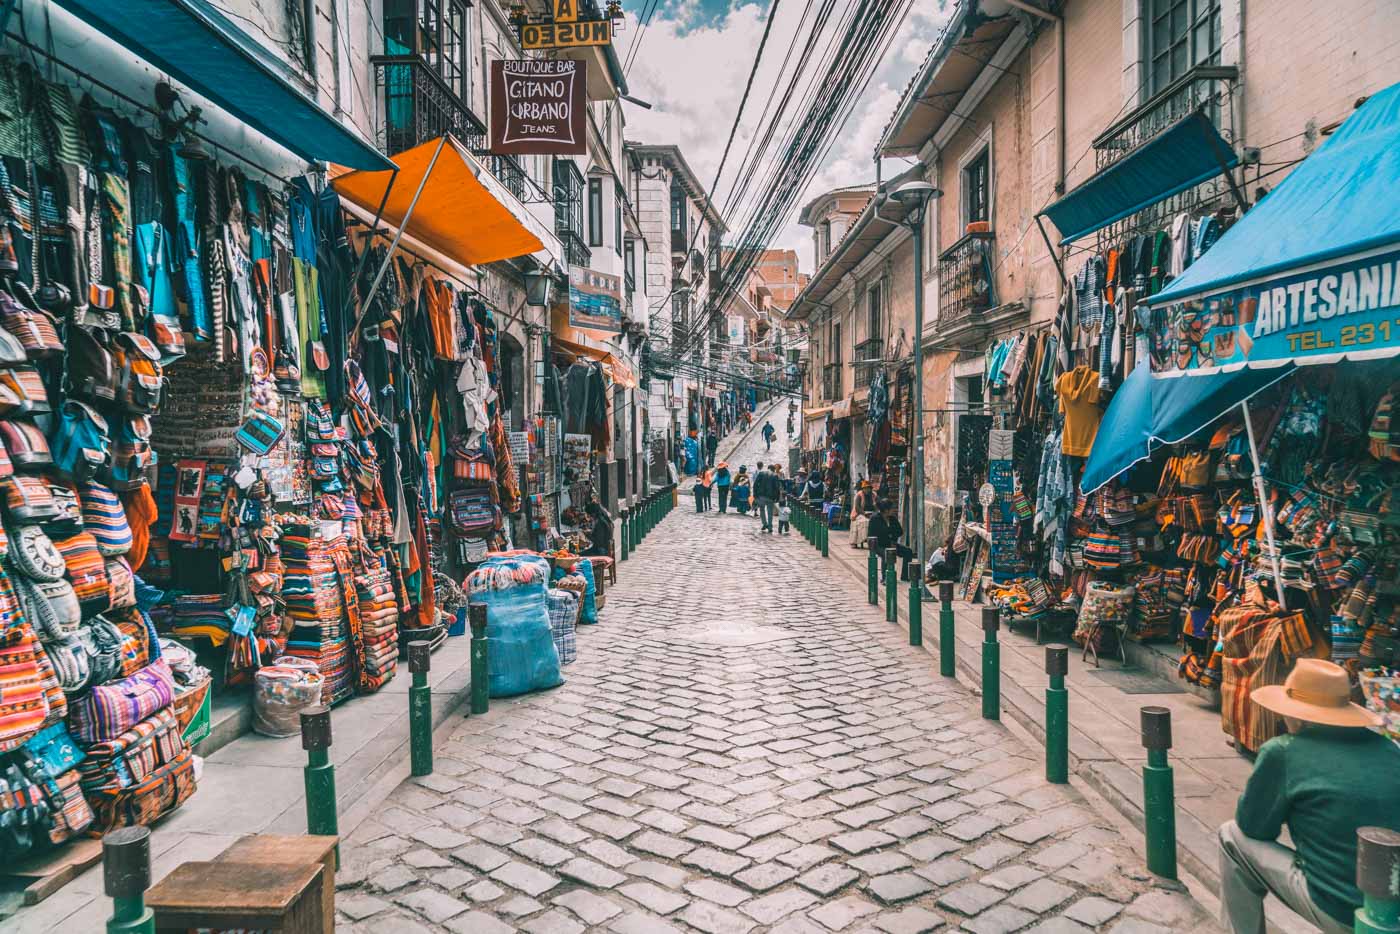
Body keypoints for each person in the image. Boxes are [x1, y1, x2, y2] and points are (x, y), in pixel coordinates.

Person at [1218, 658, 1400, 934]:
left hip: (1342, 912)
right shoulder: (1390, 750)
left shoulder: (1284, 751)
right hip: (1391, 913)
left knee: (1231, 836)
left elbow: (1253, 827)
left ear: (1296, 714)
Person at [867, 499, 914, 579]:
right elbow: (878, 534)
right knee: (887, 554)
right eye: (892, 508)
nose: (894, 510)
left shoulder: (892, 518)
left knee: (908, 552)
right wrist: (890, 535)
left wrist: (892, 540)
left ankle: (905, 576)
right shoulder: (875, 519)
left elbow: (899, 531)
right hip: (877, 544)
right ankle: (885, 577)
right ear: (886, 510)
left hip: (891, 543)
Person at [753, 462, 780, 533]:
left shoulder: (761, 473)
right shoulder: (775, 475)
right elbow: (777, 487)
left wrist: (755, 494)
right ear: (773, 470)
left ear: (768, 468)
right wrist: (777, 497)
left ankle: (765, 523)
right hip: (770, 497)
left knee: (762, 510)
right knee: (770, 512)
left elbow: (755, 484)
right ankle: (770, 527)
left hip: (761, 495)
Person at [850, 480, 875, 547]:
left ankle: (873, 540)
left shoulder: (873, 495)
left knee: (875, 521)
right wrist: (864, 513)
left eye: (868, 488)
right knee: (865, 521)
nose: (867, 490)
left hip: (871, 513)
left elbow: (876, 505)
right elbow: (857, 507)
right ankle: (861, 539)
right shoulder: (859, 495)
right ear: (863, 489)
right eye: (865, 488)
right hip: (859, 513)